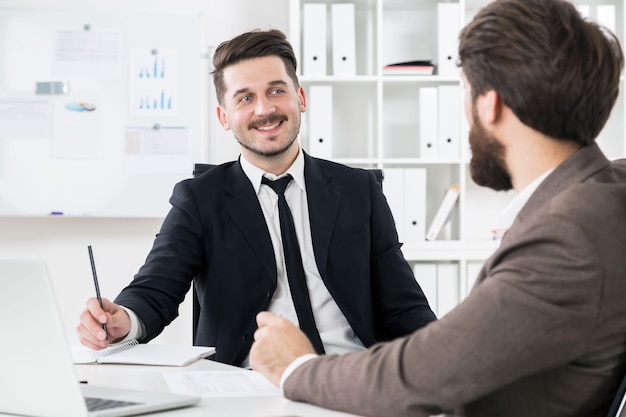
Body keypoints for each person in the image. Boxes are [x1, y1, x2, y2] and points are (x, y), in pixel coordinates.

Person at [249, 0, 626, 416]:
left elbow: (415, 377)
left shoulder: (567, 236)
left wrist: (296, 367)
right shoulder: (607, 191)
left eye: (464, 93)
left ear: (490, 105)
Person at [76, 29, 436, 367]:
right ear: (224, 117)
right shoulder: (200, 199)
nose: (264, 109)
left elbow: (404, 307)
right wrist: (123, 319)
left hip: (350, 373)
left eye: (277, 91)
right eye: (245, 97)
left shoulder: (358, 190)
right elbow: (156, 289)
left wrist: (439, 363)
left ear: (301, 98)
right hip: (249, 382)